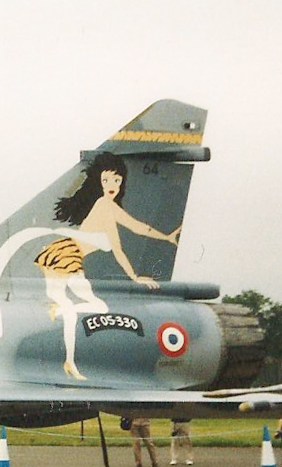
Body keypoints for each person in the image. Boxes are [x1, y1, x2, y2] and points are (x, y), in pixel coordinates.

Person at [37, 153, 181, 381]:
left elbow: (128, 238)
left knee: (87, 307)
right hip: (67, 257)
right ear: (99, 182)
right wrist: (137, 274)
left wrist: (163, 241)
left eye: (116, 180)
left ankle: (69, 357)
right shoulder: (104, 205)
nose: (111, 186)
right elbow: (129, 235)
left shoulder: (107, 208)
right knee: (95, 307)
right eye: (106, 181)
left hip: (62, 255)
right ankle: (69, 356)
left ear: (122, 181)